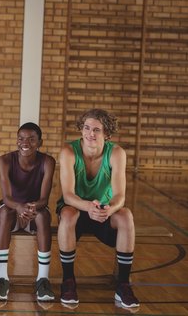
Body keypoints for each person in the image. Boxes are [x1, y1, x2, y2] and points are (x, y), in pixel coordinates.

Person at [57, 108, 139, 308]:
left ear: (107, 134)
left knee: (126, 215)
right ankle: (68, 282)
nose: (90, 134)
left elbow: (120, 196)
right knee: (67, 215)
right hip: (76, 207)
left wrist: (109, 209)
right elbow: (67, 195)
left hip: (103, 211)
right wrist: (87, 206)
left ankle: (123, 285)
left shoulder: (117, 153)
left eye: (96, 130)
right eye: (86, 128)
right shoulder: (69, 151)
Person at [0, 122, 56, 302]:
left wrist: (32, 207)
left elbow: (44, 199)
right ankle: (2, 278)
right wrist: (20, 207)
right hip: (12, 209)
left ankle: (43, 279)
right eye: (21, 139)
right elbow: (7, 197)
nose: (25, 143)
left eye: (31, 139)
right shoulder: (5, 160)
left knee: (43, 216)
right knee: (4, 213)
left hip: (36, 210)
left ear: (39, 142)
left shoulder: (48, 162)